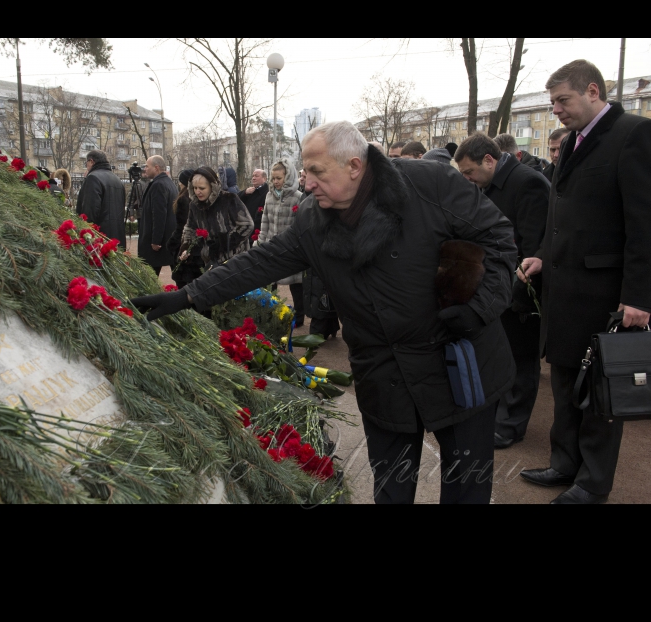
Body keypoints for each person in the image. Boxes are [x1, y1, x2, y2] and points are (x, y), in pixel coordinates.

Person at [133, 121, 518, 505]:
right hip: (384, 371)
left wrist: (479, 308)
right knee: (392, 487)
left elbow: (499, 238)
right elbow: (258, 263)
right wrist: (186, 296)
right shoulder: (313, 222)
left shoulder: (428, 183)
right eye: (305, 171)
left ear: (354, 166)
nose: (308, 181)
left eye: (317, 171)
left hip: (458, 358)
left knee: (467, 485)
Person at [517, 59, 651, 505]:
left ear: (593, 91)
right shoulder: (572, 141)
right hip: (563, 289)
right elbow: (562, 215)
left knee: (598, 393)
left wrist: (638, 297)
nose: (555, 109)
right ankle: (564, 463)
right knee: (564, 382)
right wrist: (541, 254)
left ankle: (592, 484)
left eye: (562, 100)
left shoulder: (632, 134)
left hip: (604, 293)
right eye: (552, 102)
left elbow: (643, 225)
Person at [456, 133, 550, 450]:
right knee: (500, 354)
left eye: (470, 172)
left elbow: (534, 242)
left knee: (521, 359)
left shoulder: (528, 183)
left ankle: (512, 425)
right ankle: (497, 416)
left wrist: (517, 287)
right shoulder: (489, 185)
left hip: (522, 287)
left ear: (489, 160)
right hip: (496, 286)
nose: (468, 180)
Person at [258, 159, 306, 327]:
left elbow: (299, 224)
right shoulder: (269, 196)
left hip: (290, 248)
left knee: (295, 284)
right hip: (272, 245)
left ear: (288, 176)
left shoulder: (298, 197)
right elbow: (265, 222)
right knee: (269, 281)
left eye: (279, 178)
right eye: (273, 178)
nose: (276, 182)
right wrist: (261, 243)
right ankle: (269, 312)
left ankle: (299, 316)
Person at [178, 166, 254, 270]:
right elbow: (190, 228)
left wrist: (223, 242)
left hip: (235, 260)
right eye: (195, 188)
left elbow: (247, 225)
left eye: (202, 188)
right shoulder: (194, 205)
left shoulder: (229, 199)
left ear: (212, 186)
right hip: (210, 261)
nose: (197, 192)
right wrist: (186, 248)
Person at [138, 156, 179, 277]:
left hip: (157, 242)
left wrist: (156, 240)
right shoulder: (168, 182)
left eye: (147, 166)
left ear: (156, 168)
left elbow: (159, 214)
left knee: (148, 278)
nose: (145, 169)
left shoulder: (158, 185)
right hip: (167, 239)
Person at [76, 150, 127, 248]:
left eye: (86, 163)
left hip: (100, 238)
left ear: (91, 161)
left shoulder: (93, 178)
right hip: (117, 236)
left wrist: (85, 234)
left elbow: (89, 212)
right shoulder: (117, 180)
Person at [167, 170, 201, 290]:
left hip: (182, 244)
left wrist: (171, 243)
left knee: (182, 282)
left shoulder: (183, 199)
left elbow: (182, 225)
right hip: (194, 245)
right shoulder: (197, 198)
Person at [239, 169, 269, 239]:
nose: (253, 178)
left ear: (264, 179)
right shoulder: (250, 191)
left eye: (256, 176)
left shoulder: (267, 194)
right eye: (253, 176)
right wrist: (245, 192)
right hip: (246, 229)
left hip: (257, 232)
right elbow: (235, 200)